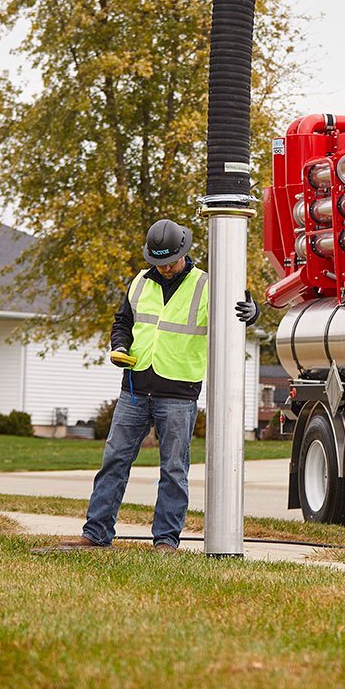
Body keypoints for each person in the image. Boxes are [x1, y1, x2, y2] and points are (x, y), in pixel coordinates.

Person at [61, 219, 260, 552]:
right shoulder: (139, 281)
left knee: (173, 469)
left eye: (170, 261)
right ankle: (95, 534)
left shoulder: (208, 285)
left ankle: (166, 541)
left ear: (184, 252)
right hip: (135, 389)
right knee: (114, 461)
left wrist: (251, 313)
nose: (165, 268)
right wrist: (120, 347)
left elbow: (237, 314)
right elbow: (123, 322)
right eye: (159, 262)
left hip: (179, 393)